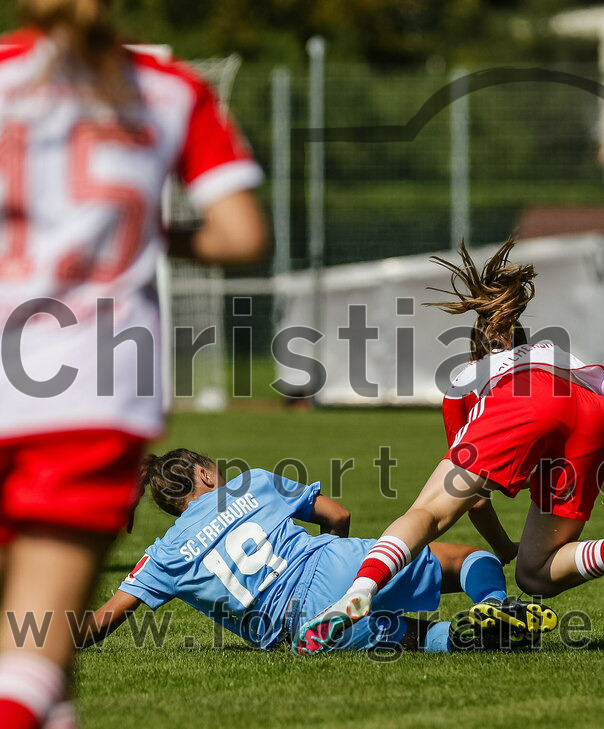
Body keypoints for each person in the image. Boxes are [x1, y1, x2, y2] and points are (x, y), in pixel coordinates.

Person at [0, 2, 267, 727]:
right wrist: (150, 230)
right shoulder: (168, 87)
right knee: (34, 653)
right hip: (90, 389)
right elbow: (241, 234)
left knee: (30, 657)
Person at [293, 239, 604, 656]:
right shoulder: (551, 353)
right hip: (595, 410)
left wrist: (502, 546)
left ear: (475, 349)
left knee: (428, 512)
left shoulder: (468, 378)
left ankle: (359, 592)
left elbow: (474, 499)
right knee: (535, 574)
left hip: (528, 399)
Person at [78, 450, 556, 656]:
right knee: (470, 558)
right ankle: (495, 606)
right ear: (204, 475)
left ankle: (460, 637)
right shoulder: (250, 483)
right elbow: (338, 514)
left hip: (290, 626)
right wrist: (346, 554)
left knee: (412, 637)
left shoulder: (163, 556)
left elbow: (100, 624)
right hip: (333, 564)